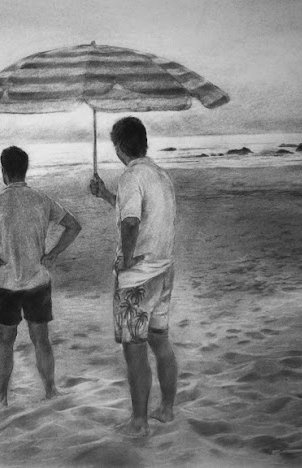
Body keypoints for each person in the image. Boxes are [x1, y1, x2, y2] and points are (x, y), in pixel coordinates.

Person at [0, 146, 82, 406]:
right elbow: (73, 225)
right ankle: (50, 391)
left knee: (5, 342)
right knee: (41, 340)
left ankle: (1, 398)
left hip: (5, 282)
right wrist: (54, 253)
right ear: (25, 169)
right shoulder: (42, 199)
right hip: (37, 280)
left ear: (3, 172)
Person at [89, 116, 178, 436]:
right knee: (160, 341)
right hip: (163, 269)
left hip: (138, 276)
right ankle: (166, 409)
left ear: (118, 148)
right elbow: (140, 212)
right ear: (144, 143)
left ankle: (139, 422)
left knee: (135, 348)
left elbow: (130, 223)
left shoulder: (131, 176)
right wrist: (105, 195)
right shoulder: (160, 175)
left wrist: (125, 261)